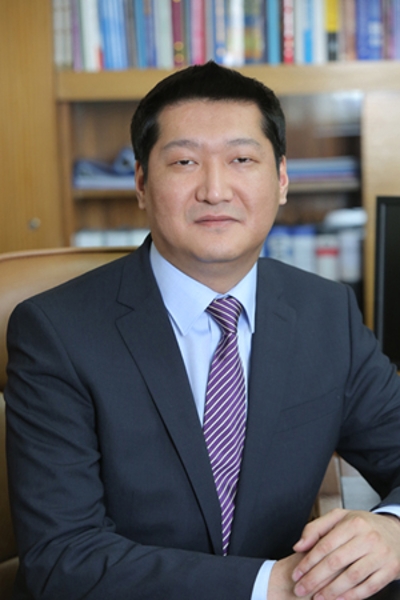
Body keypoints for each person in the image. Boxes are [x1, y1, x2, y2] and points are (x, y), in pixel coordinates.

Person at [5, 61, 400, 600]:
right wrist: (271, 585)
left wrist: (393, 528)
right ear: (141, 183)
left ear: (282, 179)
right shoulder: (56, 331)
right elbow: (62, 557)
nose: (215, 190)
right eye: (185, 162)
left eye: (242, 159)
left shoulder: (325, 312)